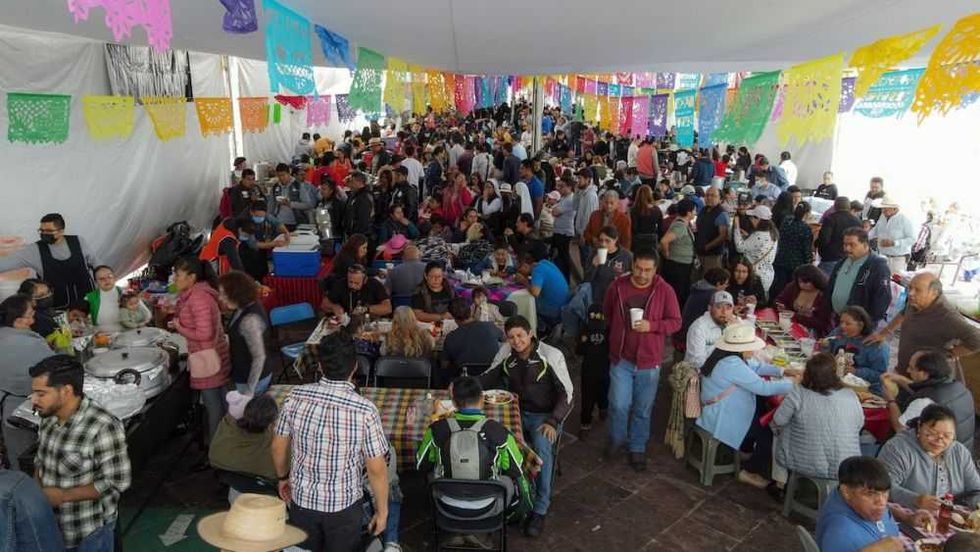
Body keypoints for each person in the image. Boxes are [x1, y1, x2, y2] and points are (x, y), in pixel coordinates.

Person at [272, 330, 389, 551]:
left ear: (320, 366)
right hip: (343, 507)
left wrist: (282, 477)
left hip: (302, 502)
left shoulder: (294, 396)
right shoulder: (365, 410)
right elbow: (376, 469)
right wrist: (382, 512)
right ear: (355, 367)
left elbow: (278, 446)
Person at [480, 316, 574, 537]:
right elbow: (488, 377)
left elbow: (568, 395)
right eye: (511, 337)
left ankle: (540, 507)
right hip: (515, 411)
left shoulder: (550, 355)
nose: (516, 341)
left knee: (541, 448)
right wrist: (463, 387)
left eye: (520, 335)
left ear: (531, 333)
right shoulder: (506, 352)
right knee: (489, 437)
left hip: (545, 417)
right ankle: (511, 495)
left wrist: (553, 421)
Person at [30, 354, 131, 550]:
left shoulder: (102, 425)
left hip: (89, 532)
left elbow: (116, 482)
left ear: (66, 391)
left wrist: (63, 496)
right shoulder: (48, 416)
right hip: (53, 528)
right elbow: (40, 461)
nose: (34, 400)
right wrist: (37, 495)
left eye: (41, 394)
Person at [602, 250, 681, 470]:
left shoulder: (665, 290)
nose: (642, 274)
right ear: (632, 265)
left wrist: (652, 326)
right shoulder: (617, 286)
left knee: (643, 408)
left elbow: (676, 322)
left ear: (655, 270)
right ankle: (617, 439)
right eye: (638, 268)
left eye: (647, 270)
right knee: (618, 404)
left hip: (649, 361)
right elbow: (607, 313)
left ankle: (637, 447)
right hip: (621, 359)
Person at [695, 324, 798, 489]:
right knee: (769, 429)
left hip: (718, 409)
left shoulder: (724, 356)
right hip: (722, 416)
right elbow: (763, 388)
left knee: (761, 410)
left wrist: (782, 371)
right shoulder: (732, 364)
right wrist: (794, 384)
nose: (754, 350)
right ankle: (751, 470)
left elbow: (755, 367)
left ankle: (745, 448)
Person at [416, 375, 532, 523]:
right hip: (488, 506)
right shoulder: (498, 431)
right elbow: (516, 469)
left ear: (454, 403)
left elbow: (421, 464)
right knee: (508, 482)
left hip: (446, 504)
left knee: (432, 474)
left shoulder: (436, 429)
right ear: (482, 399)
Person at [771, 353, 863, 480]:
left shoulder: (798, 393)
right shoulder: (850, 395)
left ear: (807, 374)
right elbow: (859, 424)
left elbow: (778, 420)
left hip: (804, 463)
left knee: (778, 429)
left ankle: (780, 481)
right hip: (846, 466)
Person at [171, 256, 231, 443]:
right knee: (221, 402)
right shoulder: (195, 294)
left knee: (213, 406)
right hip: (211, 354)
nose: (174, 279)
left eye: (178, 275)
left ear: (192, 277)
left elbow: (205, 334)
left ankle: (215, 450)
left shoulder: (198, 298)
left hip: (207, 358)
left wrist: (179, 327)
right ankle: (227, 443)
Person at [815, 456, 932, 552]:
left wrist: (907, 517)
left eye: (885, 493)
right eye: (870, 494)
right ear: (846, 491)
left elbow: (885, 508)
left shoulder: (852, 500)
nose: (882, 502)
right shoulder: (840, 532)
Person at [874, 273, 980, 377]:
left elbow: (977, 339)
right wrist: (884, 333)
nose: (911, 293)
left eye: (918, 290)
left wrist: (950, 353)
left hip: (924, 378)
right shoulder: (915, 303)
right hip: (904, 369)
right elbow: (903, 313)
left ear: (934, 293)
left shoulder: (947, 316)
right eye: (910, 288)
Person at [877, 404, 980, 510]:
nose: (939, 440)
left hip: (951, 516)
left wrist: (967, 507)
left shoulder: (959, 452)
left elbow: (976, 490)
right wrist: (915, 500)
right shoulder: (898, 449)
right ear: (919, 426)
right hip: (906, 515)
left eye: (947, 435)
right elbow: (881, 487)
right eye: (932, 433)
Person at [0, 213, 98, 309]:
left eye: (49, 231)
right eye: (42, 230)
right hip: (57, 307)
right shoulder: (34, 250)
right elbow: (5, 264)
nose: (44, 234)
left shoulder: (79, 241)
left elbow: (97, 264)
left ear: (61, 231)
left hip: (89, 303)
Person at [881, 349, 975, 449]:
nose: (908, 370)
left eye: (912, 368)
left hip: (937, 454)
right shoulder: (959, 387)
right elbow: (925, 388)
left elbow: (900, 429)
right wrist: (900, 379)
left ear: (925, 374)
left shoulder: (924, 402)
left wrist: (891, 400)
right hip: (962, 449)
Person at [0, 295, 53, 469]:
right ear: (18, 321)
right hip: (28, 410)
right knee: (35, 457)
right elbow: (55, 371)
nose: (33, 320)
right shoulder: (32, 343)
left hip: (6, 410)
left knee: (17, 457)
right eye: (30, 316)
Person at [217, 271, 273, 396]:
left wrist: (250, 390)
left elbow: (259, 357)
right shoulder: (243, 307)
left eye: (224, 294)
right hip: (244, 374)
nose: (220, 298)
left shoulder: (249, 319)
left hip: (252, 380)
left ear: (236, 293)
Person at [209, 393, 279, 491]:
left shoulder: (227, 425)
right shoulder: (268, 451)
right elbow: (278, 472)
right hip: (259, 485)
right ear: (270, 424)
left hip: (222, 468)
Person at [828, 228, 892, 325]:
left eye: (852, 245)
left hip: (859, 324)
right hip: (838, 319)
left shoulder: (877, 266)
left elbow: (882, 298)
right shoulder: (842, 262)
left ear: (865, 245)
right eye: (845, 244)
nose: (847, 249)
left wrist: (867, 323)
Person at [823, 306, 889, 393]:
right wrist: (824, 346)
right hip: (836, 382)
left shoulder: (875, 344)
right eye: (841, 322)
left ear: (861, 325)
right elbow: (827, 352)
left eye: (848, 324)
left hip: (863, 389)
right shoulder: (838, 332)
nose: (842, 326)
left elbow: (881, 375)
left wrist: (857, 372)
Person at [442, 298, 504, 383]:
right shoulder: (490, 326)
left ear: (453, 317)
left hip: (464, 381)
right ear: (471, 311)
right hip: (493, 378)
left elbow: (444, 365)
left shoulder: (451, 337)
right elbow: (504, 338)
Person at [514, 246, 569, 328]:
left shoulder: (537, 270)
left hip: (554, 312)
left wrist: (524, 281)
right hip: (564, 306)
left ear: (525, 265)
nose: (519, 271)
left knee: (522, 305)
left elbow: (535, 292)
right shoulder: (545, 263)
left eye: (519, 268)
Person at [775, 264, 834, 337]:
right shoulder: (794, 286)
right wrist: (781, 306)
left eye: (806, 282)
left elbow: (822, 323)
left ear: (816, 280)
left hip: (813, 332)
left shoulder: (824, 295)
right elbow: (779, 299)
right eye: (800, 282)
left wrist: (795, 316)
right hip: (791, 324)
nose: (802, 285)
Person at [771, 201, 814, 299]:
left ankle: (773, 303)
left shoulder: (786, 221)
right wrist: (809, 263)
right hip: (795, 264)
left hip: (780, 259)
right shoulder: (805, 229)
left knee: (777, 286)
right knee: (789, 290)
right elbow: (806, 250)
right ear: (807, 214)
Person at [659, 199, 697, 308]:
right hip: (678, 265)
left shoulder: (683, 224)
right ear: (688, 212)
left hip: (682, 264)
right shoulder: (680, 226)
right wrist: (666, 254)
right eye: (694, 210)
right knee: (678, 294)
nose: (695, 213)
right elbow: (664, 241)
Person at [584, 226, 634, 306]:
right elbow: (586, 280)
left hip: (618, 297)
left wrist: (627, 277)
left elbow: (634, 278)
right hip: (597, 298)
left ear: (615, 240)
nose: (603, 244)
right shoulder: (594, 254)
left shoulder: (627, 256)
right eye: (601, 240)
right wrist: (593, 266)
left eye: (607, 241)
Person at [733, 204, 777, 293]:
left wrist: (736, 227)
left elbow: (739, 247)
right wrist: (748, 237)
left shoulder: (759, 235)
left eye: (753, 217)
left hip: (756, 275)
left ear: (758, 219)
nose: (751, 219)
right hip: (767, 274)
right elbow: (760, 246)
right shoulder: (772, 233)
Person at [323, 264, 392, 318]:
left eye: (356, 283)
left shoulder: (375, 284)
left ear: (365, 280)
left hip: (368, 321)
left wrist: (366, 309)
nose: (353, 286)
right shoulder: (340, 284)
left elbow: (388, 308)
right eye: (350, 282)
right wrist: (334, 307)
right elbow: (324, 304)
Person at [868, 196, 915, 274]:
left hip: (898, 259)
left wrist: (894, 243)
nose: (883, 211)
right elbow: (875, 230)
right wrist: (863, 237)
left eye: (885, 209)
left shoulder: (905, 219)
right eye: (882, 209)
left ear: (894, 209)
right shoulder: (882, 217)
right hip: (883, 256)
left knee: (895, 279)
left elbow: (912, 239)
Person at [817, 196, 862, 275]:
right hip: (849, 259)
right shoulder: (857, 221)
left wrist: (819, 248)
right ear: (849, 207)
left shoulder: (830, 219)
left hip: (830, 258)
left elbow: (824, 239)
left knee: (825, 281)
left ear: (835, 206)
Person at [269, 163, 317, 229]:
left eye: (283, 175)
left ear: (289, 173)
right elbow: (271, 206)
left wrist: (290, 204)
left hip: (295, 223)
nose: (281, 178)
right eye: (279, 176)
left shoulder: (298, 186)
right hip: (279, 223)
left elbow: (308, 205)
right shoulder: (275, 187)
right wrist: (270, 220)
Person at [693, 187, 730, 271]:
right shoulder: (703, 210)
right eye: (707, 195)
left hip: (713, 256)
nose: (709, 198)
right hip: (699, 253)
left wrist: (707, 247)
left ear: (720, 199)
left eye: (713, 195)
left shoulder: (722, 214)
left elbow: (723, 236)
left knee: (711, 277)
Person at [549, 174, 577, 279]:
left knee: (563, 258)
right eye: (559, 186)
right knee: (559, 257)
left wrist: (554, 210)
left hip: (564, 233)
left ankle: (565, 279)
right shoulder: (564, 198)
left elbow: (555, 212)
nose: (559, 188)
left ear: (569, 187)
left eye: (562, 186)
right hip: (559, 231)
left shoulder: (570, 199)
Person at [630, 184, 663, 254]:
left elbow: (633, 227)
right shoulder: (656, 210)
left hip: (637, 239)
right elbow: (660, 227)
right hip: (652, 239)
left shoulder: (634, 210)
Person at [344, 171, 376, 239]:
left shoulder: (364, 198)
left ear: (359, 182)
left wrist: (356, 236)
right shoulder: (354, 195)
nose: (350, 185)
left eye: (352, 182)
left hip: (360, 236)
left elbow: (363, 221)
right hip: (353, 234)